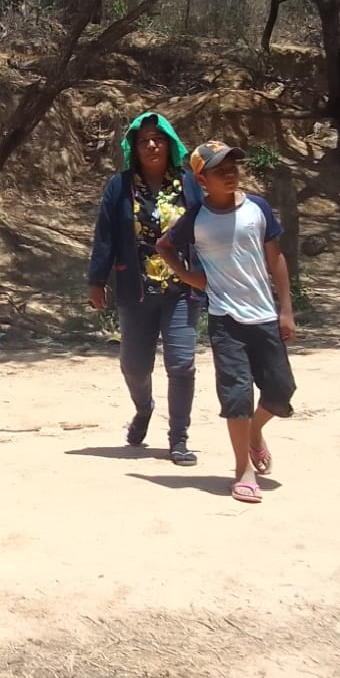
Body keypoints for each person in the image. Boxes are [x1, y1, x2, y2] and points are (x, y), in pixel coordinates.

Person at [157, 141, 298, 505]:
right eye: (220, 169)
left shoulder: (257, 209)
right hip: (225, 318)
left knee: (281, 392)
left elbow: (277, 260)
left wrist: (286, 309)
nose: (231, 172)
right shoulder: (197, 219)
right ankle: (242, 472)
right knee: (236, 396)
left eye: (234, 164)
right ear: (202, 180)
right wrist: (191, 278)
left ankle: (254, 433)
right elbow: (164, 246)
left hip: (264, 315)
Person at [85, 111, 205, 465]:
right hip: (135, 288)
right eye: (144, 140)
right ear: (134, 148)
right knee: (134, 366)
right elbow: (105, 235)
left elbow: (209, 226)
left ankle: (178, 438)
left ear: (170, 144)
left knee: (181, 364)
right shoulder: (119, 187)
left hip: (182, 287)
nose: (152, 145)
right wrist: (96, 279)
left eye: (158, 139)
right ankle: (144, 408)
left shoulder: (190, 183)